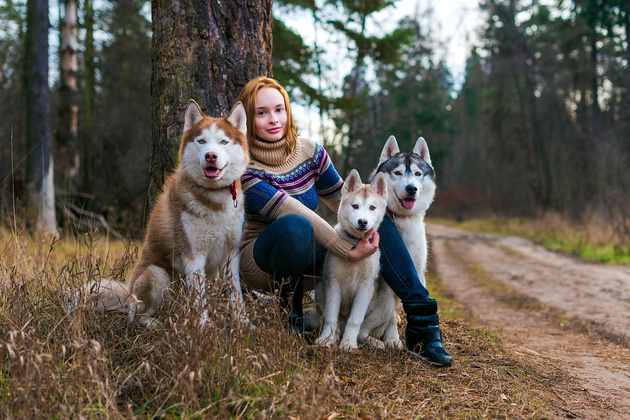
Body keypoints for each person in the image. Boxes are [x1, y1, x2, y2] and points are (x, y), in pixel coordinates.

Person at [236, 76, 452, 367]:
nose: (274, 119)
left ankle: (422, 321)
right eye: (262, 113)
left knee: (377, 218)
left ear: (288, 112)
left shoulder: (309, 151)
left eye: (279, 109)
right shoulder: (242, 164)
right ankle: (291, 314)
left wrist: (372, 214)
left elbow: (346, 198)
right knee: (295, 225)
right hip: (262, 261)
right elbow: (289, 209)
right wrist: (344, 248)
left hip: (313, 257)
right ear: (249, 119)